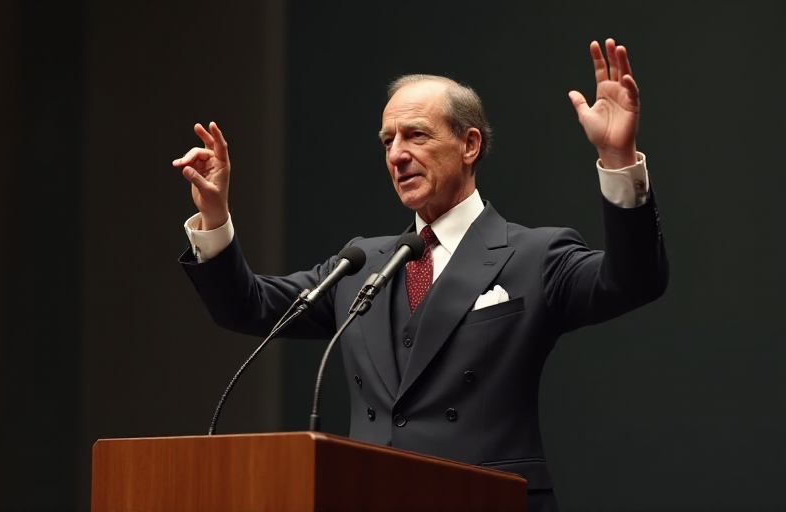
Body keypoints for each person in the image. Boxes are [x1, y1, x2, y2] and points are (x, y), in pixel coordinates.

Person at [172, 39, 668, 512]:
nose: (396, 154)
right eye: (388, 140)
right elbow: (248, 306)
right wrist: (215, 218)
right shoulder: (360, 263)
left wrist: (618, 160)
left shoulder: (535, 254)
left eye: (416, 135)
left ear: (469, 144)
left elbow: (633, 280)